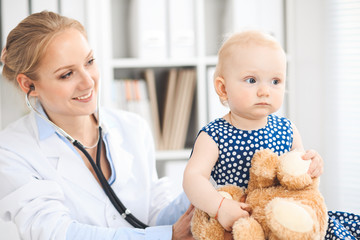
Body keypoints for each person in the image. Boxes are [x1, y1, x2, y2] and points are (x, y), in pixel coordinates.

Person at [0, 11, 194, 240]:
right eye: (67, 74)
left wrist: (204, 181)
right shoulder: (12, 150)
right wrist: (165, 236)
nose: (88, 81)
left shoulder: (133, 127)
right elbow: (56, 233)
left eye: (89, 62)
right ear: (29, 84)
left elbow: (155, 217)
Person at [182, 30, 324, 232]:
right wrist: (220, 207)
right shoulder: (213, 135)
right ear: (223, 88)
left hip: (278, 222)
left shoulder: (287, 129)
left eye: (275, 81)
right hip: (237, 220)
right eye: (251, 80)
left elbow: (297, 177)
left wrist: (312, 164)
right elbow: (192, 178)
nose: (265, 90)